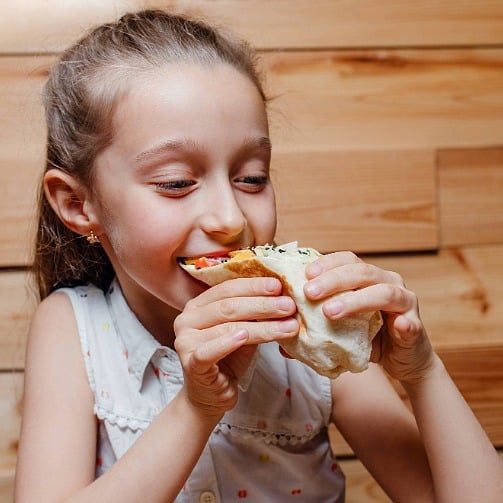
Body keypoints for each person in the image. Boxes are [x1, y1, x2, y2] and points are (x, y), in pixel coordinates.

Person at [14, 9, 503, 503]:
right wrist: (196, 408)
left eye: (251, 177)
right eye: (177, 183)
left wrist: (423, 371)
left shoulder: (309, 334)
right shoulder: (73, 327)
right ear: (79, 205)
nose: (230, 218)